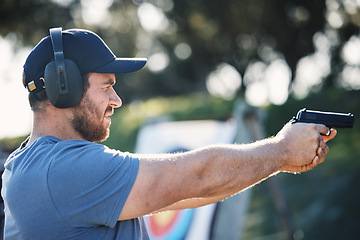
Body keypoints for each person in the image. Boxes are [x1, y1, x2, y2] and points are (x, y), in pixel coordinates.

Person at [1, 27, 337, 240]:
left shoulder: (26, 166)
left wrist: (277, 160)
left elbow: (188, 191)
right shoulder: (59, 170)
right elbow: (199, 176)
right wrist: (280, 149)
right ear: (65, 86)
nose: (116, 100)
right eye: (107, 86)